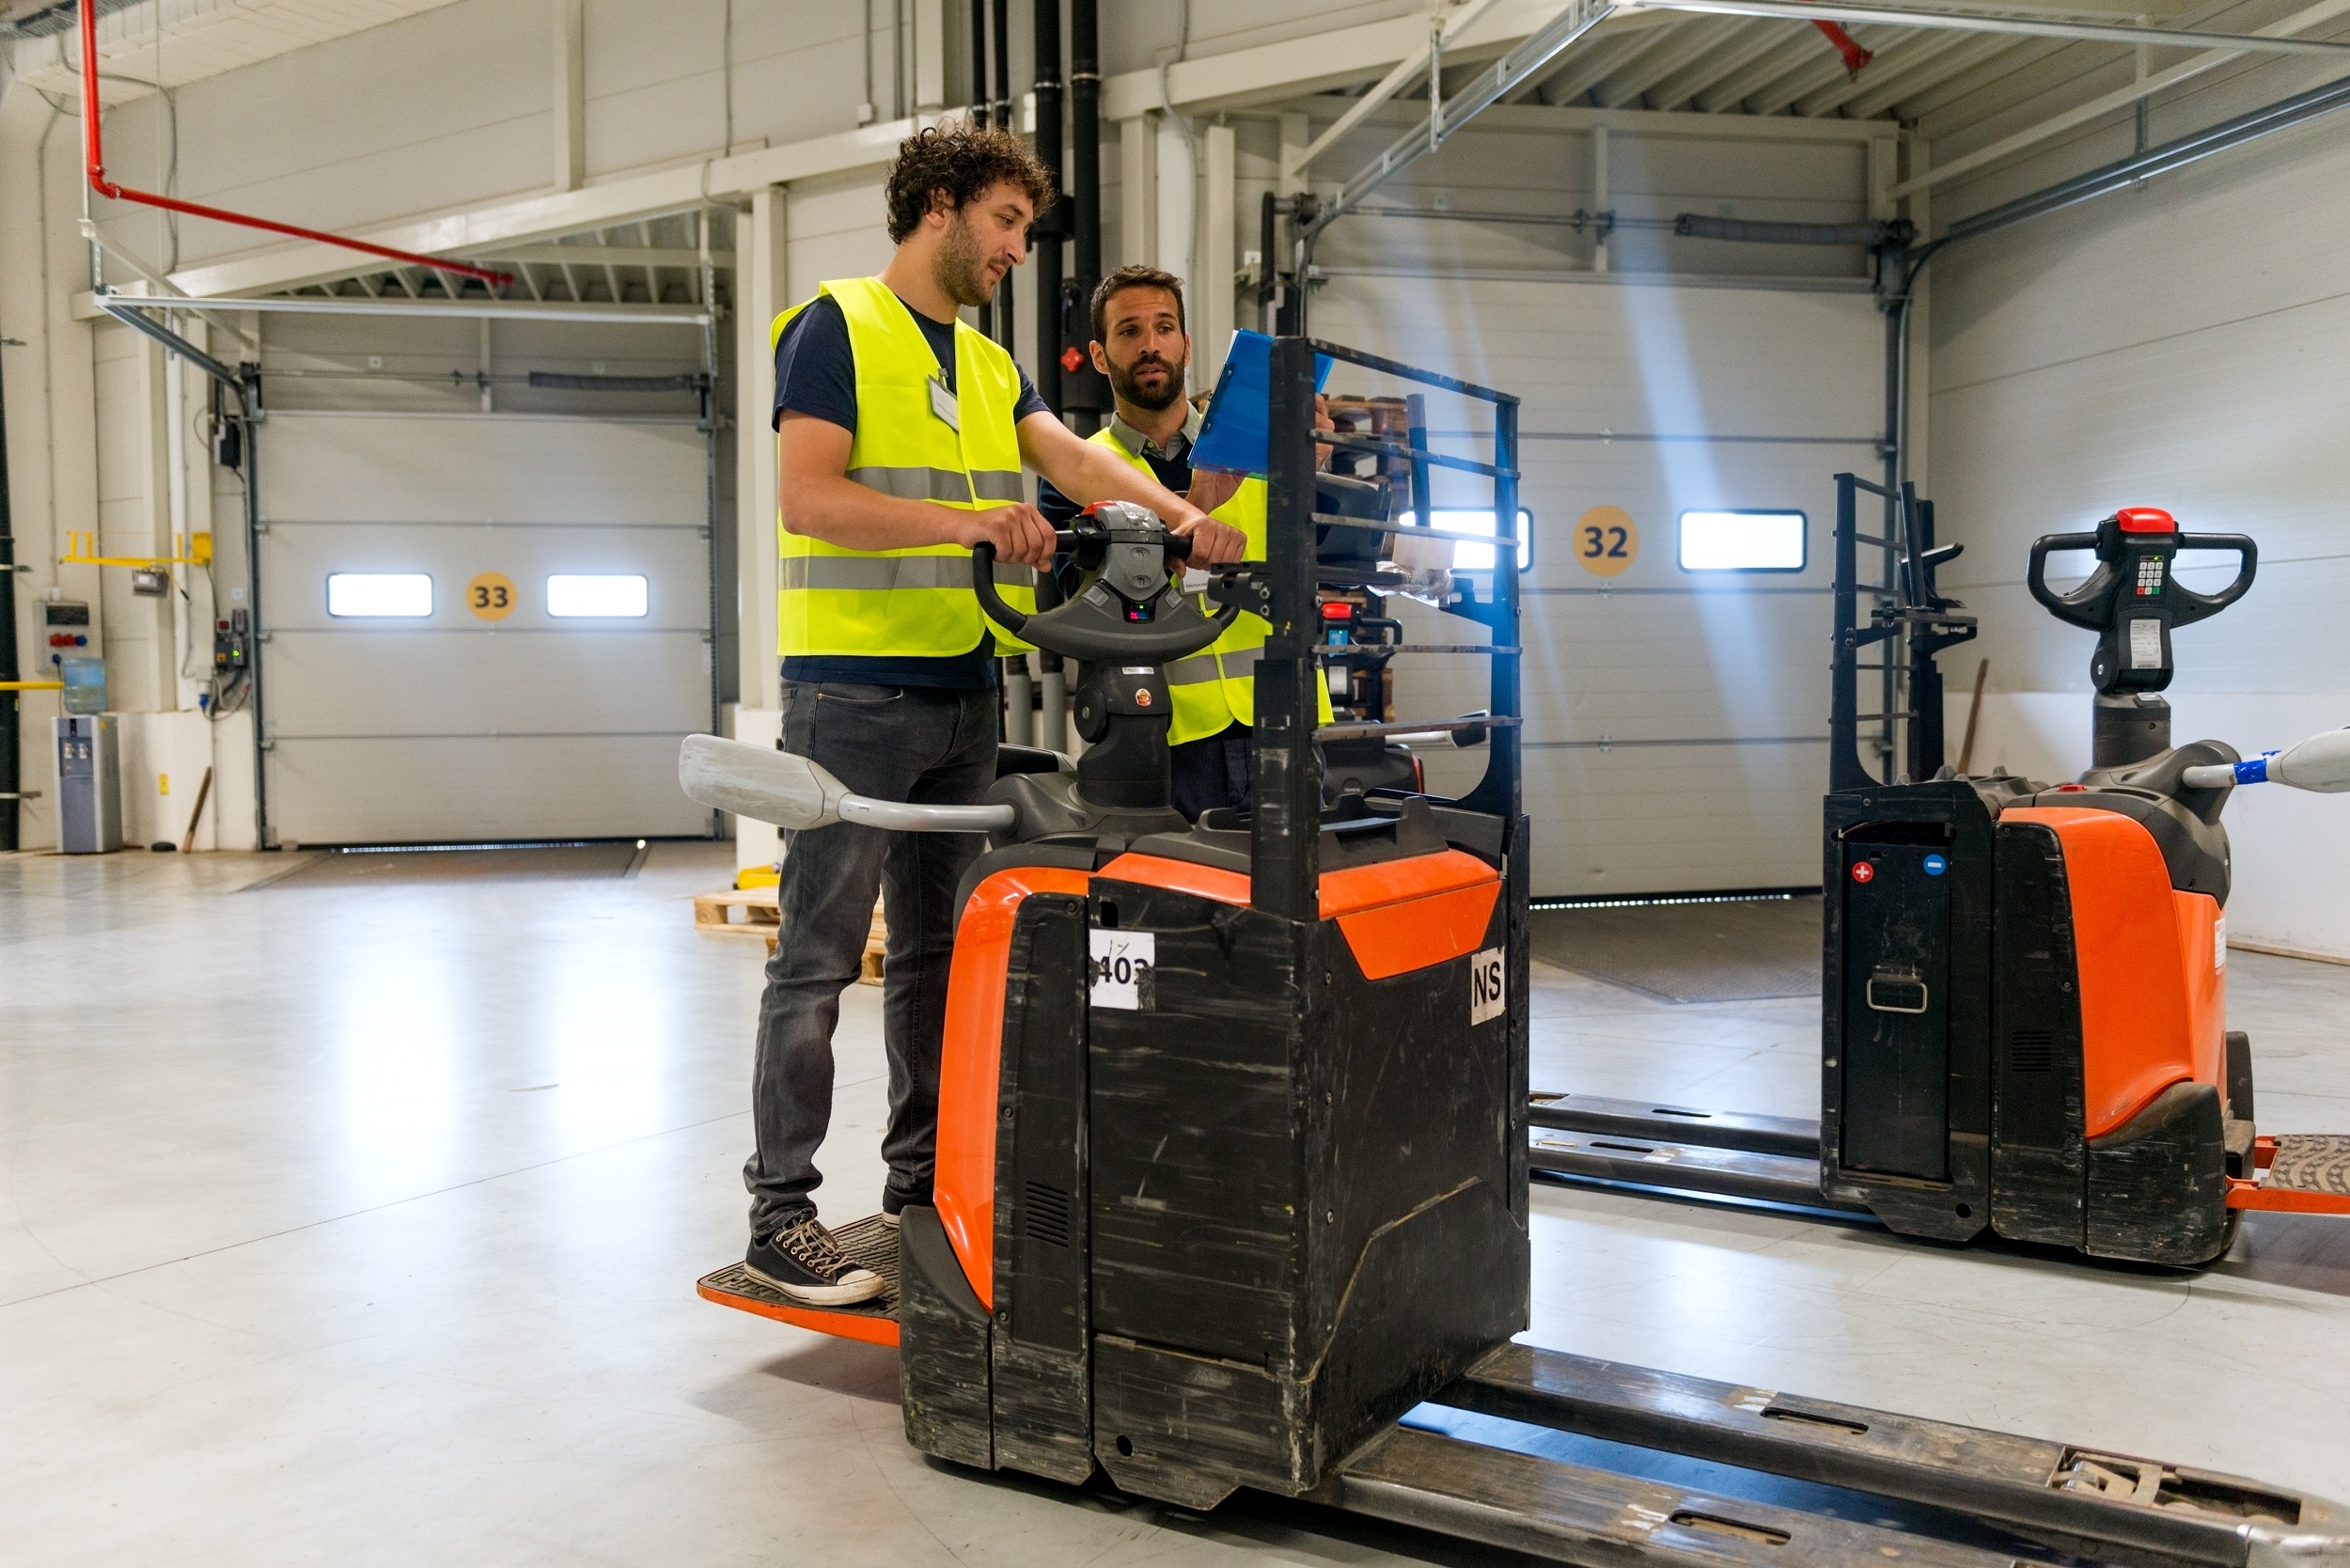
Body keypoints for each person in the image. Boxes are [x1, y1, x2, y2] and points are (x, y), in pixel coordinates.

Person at [747, 124, 1246, 1307]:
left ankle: (917, 1189)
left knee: (935, 959)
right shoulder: (836, 328)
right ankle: (781, 1214)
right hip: (853, 693)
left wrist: (1180, 519)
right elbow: (807, 495)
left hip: (963, 691)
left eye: (1024, 227)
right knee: (816, 962)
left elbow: (1075, 466)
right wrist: (965, 527)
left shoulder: (982, 362)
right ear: (941, 206)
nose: (1019, 247)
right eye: (1008, 223)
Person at [1038, 265, 1330, 822]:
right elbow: (1087, 619)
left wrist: (1311, 481)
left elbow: (1330, 566)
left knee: (1298, 906)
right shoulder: (1073, 477)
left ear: (1187, 345)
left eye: (1164, 327)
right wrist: (1193, 510)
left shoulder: (1264, 447)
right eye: (1129, 331)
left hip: (1284, 726)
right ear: (1099, 356)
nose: (1150, 345)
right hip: (1159, 741)